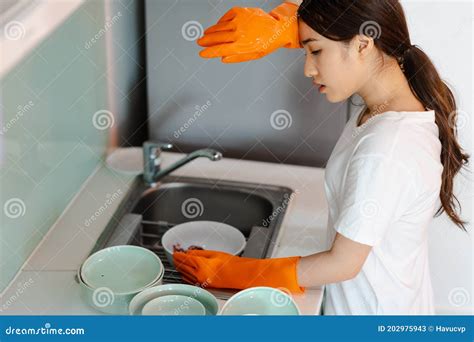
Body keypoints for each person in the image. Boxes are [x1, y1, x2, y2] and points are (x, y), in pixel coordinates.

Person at [173, 0, 470, 315]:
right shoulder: (387, 102)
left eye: (315, 51)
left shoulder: (387, 146)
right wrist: (288, 26)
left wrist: (234, 273)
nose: (307, 69)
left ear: (363, 45)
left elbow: (342, 263)